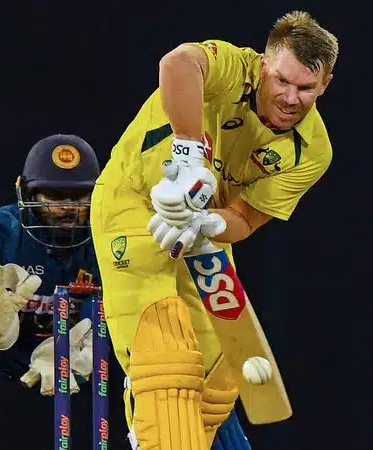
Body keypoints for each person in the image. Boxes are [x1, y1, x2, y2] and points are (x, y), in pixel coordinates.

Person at [0, 134, 252, 449]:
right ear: (26, 193)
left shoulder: (116, 232)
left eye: (78, 197)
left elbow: (138, 304)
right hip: (10, 345)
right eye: (52, 196)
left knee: (188, 380)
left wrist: (93, 344)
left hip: (87, 346)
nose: (66, 209)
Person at [89, 10, 339, 450]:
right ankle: (152, 416)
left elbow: (246, 218)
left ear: (325, 85)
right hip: (133, 202)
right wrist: (188, 158)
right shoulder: (232, 67)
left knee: (217, 374)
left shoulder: (313, 152)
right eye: (281, 80)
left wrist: (209, 223)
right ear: (263, 63)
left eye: (305, 88)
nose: (289, 98)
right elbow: (177, 64)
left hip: (198, 229)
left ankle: (153, 431)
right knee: (168, 362)